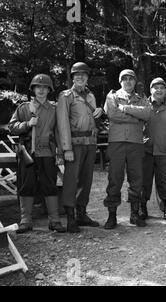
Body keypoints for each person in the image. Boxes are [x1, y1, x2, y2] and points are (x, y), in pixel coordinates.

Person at [9, 74, 65, 233]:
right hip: (28, 152)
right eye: (38, 87)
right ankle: (25, 220)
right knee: (27, 185)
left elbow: (59, 132)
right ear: (33, 89)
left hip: (47, 152)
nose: (41, 90)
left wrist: (60, 152)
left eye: (44, 87)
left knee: (50, 185)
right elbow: (12, 127)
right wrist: (27, 124)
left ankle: (54, 221)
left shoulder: (54, 110)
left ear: (49, 90)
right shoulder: (24, 108)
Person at [57, 62, 102, 233]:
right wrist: (66, 149)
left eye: (83, 74)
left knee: (86, 180)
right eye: (77, 75)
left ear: (87, 77)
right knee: (71, 180)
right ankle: (70, 217)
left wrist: (98, 114)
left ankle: (81, 213)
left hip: (89, 143)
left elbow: (91, 120)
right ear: (72, 78)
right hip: (74, 144)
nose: (80, 77)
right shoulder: (66, 96)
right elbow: (62, 123)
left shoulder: (90, 96)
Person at [103, 69, 150, 229]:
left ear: (135, 81)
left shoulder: (141, 98)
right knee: (115, 178)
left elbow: (147, 114)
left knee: (136, 178)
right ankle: (112, 216)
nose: (128, 81)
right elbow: (112, 114)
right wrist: (136, 117)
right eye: (125, 79)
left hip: (136, 142)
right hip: (117, 142)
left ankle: (134, 214)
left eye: (131, 79)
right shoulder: (112, 96)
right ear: (120, 81)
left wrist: (126, 108)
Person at [139, 77, 166, 220]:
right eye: (156, 88)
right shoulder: (142, 106)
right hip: (146, 151)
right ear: (150, 90)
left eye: (162, 88)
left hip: (165, 151)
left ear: (165, 91)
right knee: (144, 181)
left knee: (165, 181)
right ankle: (142, 208)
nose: (159, 90)